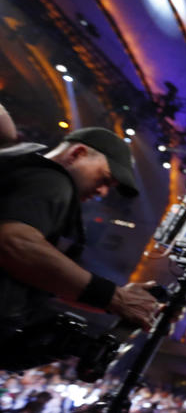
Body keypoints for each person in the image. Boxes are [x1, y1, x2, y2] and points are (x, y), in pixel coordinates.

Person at [0, 126, 159, 365]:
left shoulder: (22, 168)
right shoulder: (53, 180)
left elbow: (37, 273)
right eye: (104, 179)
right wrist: (114, 298)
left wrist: (117, 299)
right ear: (77, 154)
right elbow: (14, 243)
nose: (103, 192)